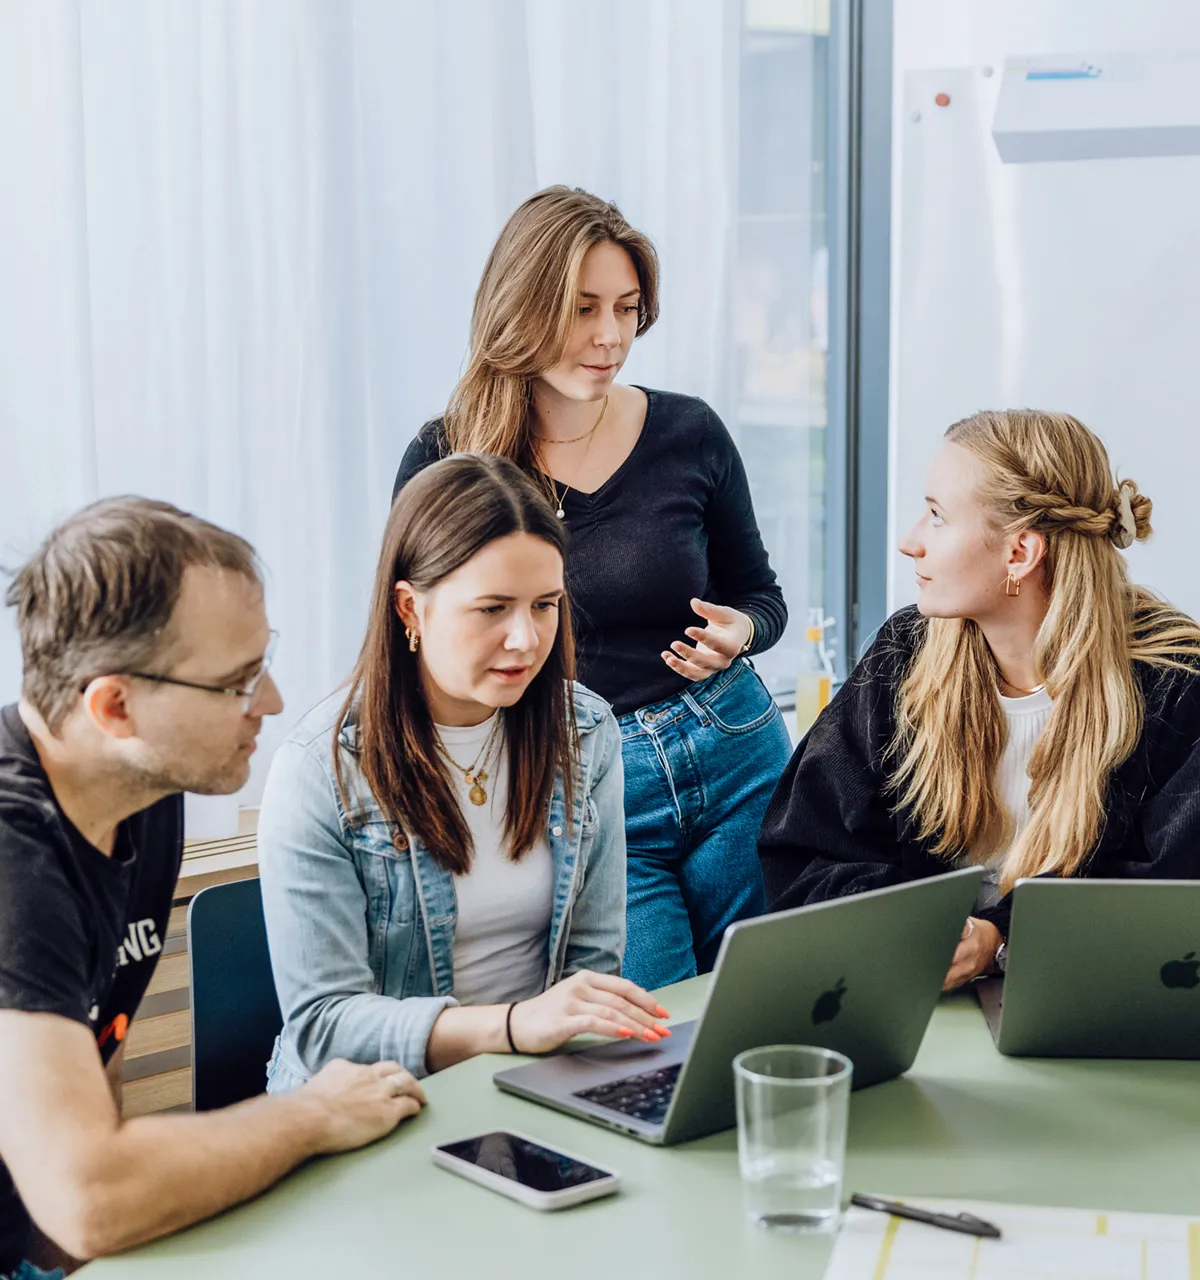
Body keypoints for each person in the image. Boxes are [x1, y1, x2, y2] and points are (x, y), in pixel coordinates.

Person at [0, 499, 425, 1280]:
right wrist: (315, 1113)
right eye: (236, 683)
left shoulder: (141, 792)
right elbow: (88, 1194)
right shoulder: (12, 861)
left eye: (261, 663)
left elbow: (98, 1063)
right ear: (114, 706)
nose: (269, 703)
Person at [392, 186, 792, 989]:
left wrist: (741, 633)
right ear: (523, 307)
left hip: (737, 749)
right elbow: (418, 647)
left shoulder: (692, 431)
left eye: (628, 309)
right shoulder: (450, 459)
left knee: (771, 1009)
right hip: (585, 781)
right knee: (650, 1039)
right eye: (582, 309)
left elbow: (762, 595)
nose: (610, 337)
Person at [258, 454, 667, 1092]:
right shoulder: (320, 768)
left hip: (530, 1082)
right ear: (410, 609)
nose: (526, 640)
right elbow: (322, 1026)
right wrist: (509, 1028)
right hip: (370, 1104)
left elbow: (591, 965)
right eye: (492, 608)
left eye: (544, 605)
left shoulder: (584, 733)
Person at [759, 410, 1200, 988]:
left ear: (1020, 554)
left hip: (1087, 1003)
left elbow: (1165, 902)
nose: (909, 541)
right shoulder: (905, 655)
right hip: (914, 997)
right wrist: (923, 930)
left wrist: (1000, 936)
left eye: (938, 517)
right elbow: (807, 851)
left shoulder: (1175, 685)